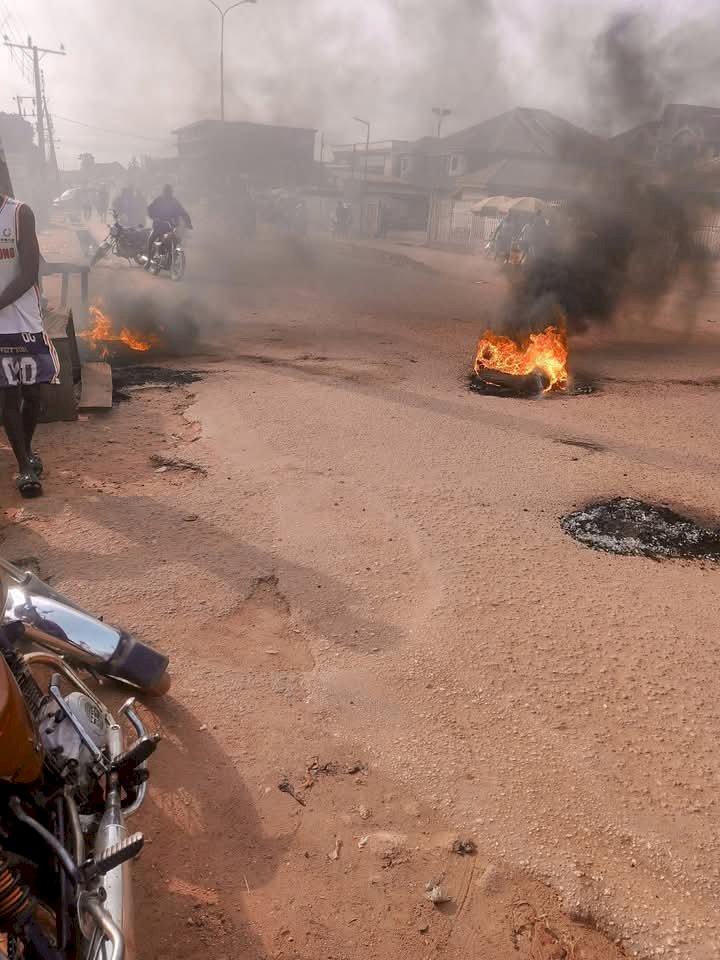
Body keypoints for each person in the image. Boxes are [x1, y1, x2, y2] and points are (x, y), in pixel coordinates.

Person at [0, 194, 60, 497]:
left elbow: (28, 273)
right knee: (8, 394)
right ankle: (24, 464)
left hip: (24, 319)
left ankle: (27, 447)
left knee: (33, 392)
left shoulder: (19, 213)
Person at [145, 184, 193, 268]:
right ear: (164, 192)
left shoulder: (174, 202)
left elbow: (183, 212)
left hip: (171, 227)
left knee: (177, 240)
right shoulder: (159, 200)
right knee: (150, 240)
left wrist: (188, 223)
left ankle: (171, 257)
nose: (168, 194)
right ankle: (149, 261)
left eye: (169, 192)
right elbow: (150, 209)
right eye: (167, 192)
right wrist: (154, 217)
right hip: (159, 226)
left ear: (171, 193)